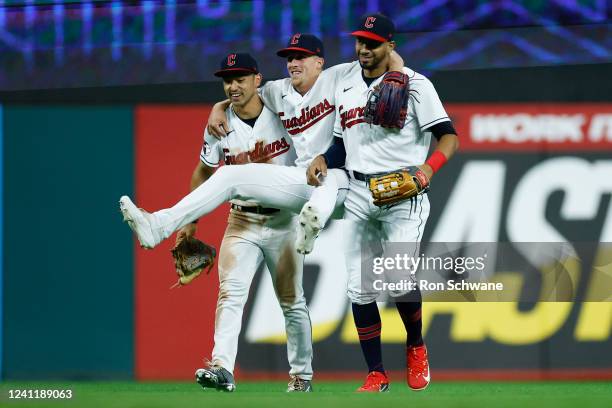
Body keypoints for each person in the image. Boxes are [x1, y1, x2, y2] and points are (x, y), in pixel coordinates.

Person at [119, 34, 401, 254]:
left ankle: (313, 223)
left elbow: (383, 56)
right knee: (230, 174)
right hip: (303, 181)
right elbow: (240, 92)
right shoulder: (277, 91)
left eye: (301, 57)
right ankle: (158, 226)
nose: (293, 63)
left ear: (320, 61)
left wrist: (398, 73)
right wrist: (218, 107)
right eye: (289, 57)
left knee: (330, 180)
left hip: (348, 185)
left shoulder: (340, 76)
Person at [306, 13, 459, 392]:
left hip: (403, 194)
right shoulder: (346, 86)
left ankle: (416, 345)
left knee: (399, 278)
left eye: (372, 43)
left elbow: (449, 138)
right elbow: (342, 143)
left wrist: (427, 170)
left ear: (390, 45)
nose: (363, 49)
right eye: (360, 41)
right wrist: (326, 157)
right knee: (360, 289)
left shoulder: (417, 85)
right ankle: (376, 372)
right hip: (358, 192)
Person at [180, 53, 312, 392]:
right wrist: (191, 221)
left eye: (241, 78)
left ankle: (301, 376)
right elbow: (203, 172)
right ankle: (223, 367)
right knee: (230, 295)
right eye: (228, 80)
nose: (233, 85)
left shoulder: (284, 112)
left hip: (284, 221)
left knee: (292, 302)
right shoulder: (218, 125)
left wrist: (218, 104)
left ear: (258, 80)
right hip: (241, 222)